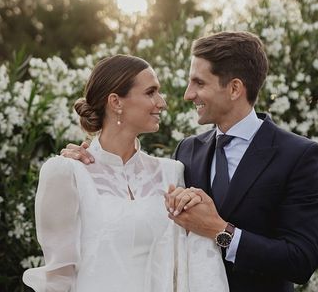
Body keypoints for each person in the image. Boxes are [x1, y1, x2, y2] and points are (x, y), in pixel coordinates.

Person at [64, 32, 318, 292]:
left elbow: (301, 261)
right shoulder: (187, 153)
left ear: (235, 88)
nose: (188, 95)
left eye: (199, 83)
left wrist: (220, 231)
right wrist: (92, 159)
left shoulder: (298, 156)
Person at [23, 54, 229, 292]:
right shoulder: (66, 172)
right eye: (150, 92)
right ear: (116, 102)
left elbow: (187, 260)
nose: (161, 102)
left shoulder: (172, 173)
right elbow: (58, 278)